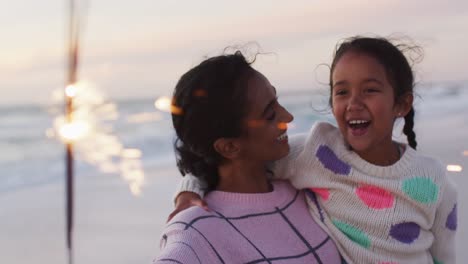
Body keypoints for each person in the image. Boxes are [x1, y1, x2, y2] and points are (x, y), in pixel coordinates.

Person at [172, 37, 458, 264]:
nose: (353, 103)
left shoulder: (433, 179)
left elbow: (445, 255)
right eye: (342, 92)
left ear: (402, 105)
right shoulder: (317, 151)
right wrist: (189, 190)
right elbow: (229, 163)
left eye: (370, 90)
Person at [154, 51, 342, 263]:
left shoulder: (303, 184)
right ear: (230, 147)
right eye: (270, 115)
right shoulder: (195, 229)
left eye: (276, 100)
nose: (287, 116)